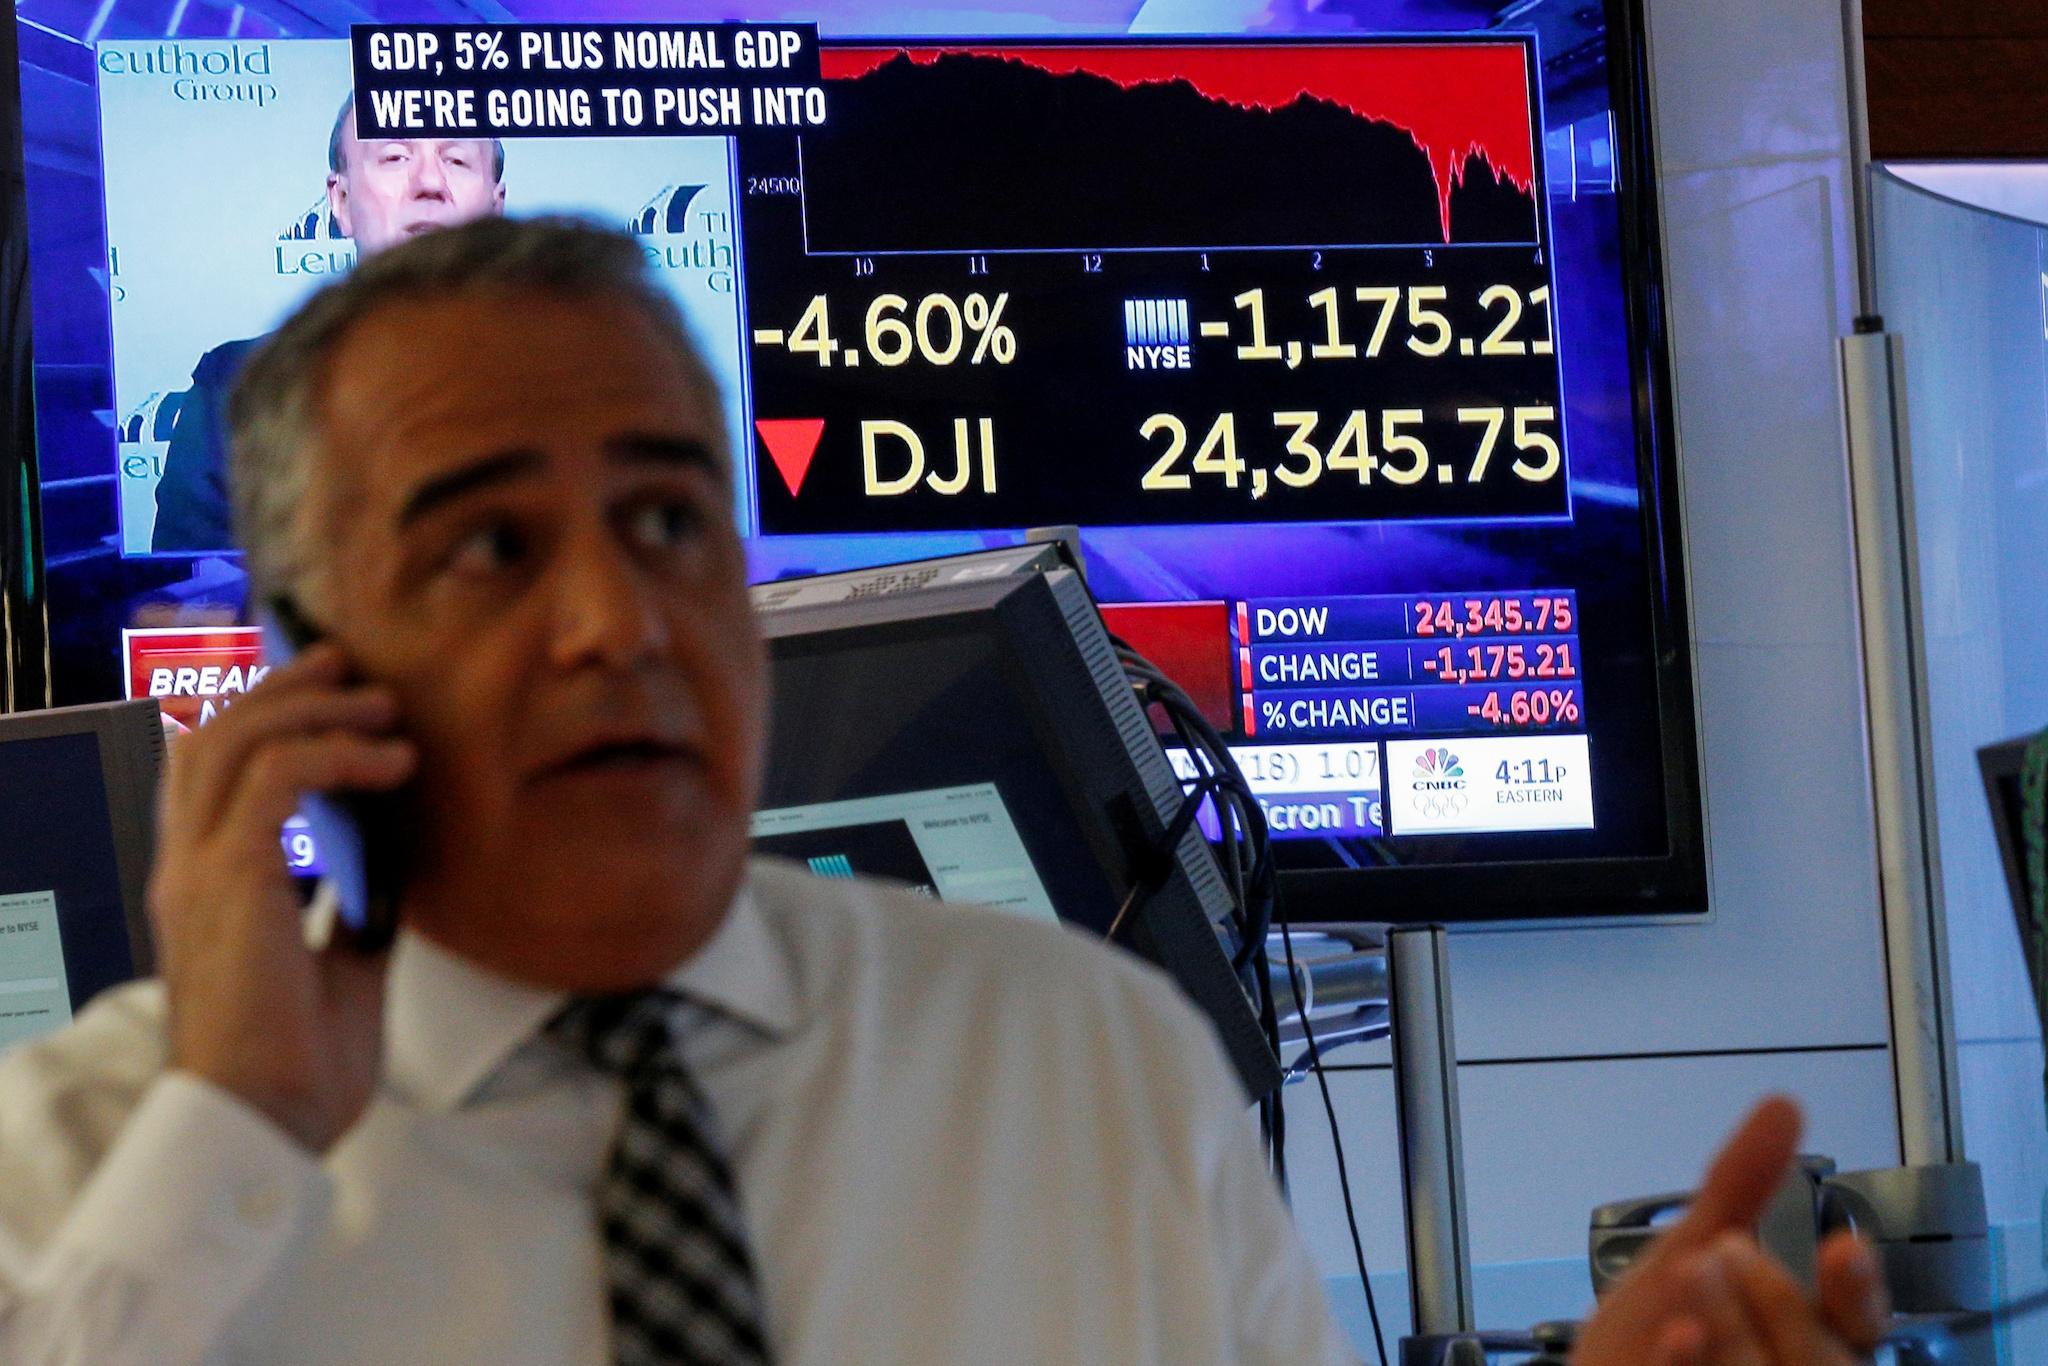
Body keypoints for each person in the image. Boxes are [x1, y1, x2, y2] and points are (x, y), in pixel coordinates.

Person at [0, 217, 1886, 1365]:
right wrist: (233, 1135)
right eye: (487, 551)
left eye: (670, 518)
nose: (619, 622)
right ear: (313, 673)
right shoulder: (87, 1164)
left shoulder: (1083, 1062)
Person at [149, 94, 506, 552]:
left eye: (456, 159)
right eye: (395, 156)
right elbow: (192, 603)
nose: (430, 182)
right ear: (340, 201)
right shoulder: (237, 385)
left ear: (496, 208)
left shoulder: (586, 380)